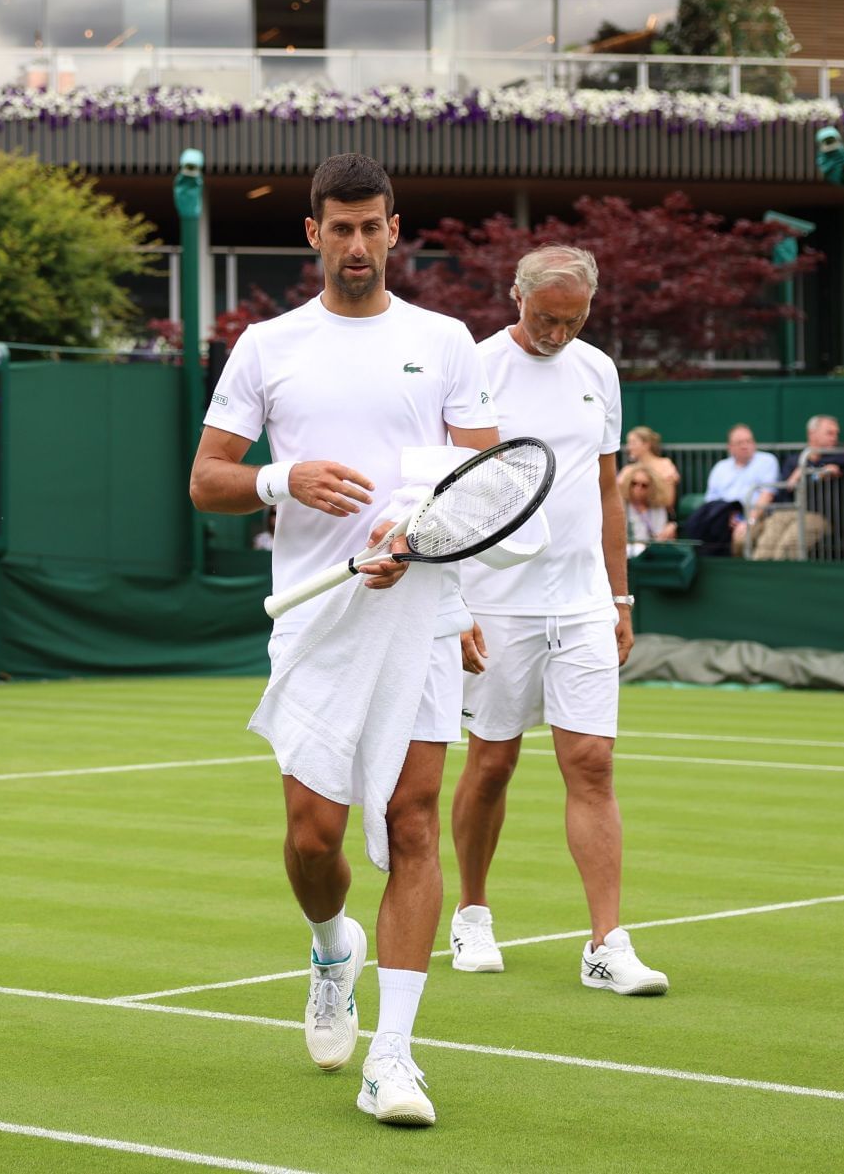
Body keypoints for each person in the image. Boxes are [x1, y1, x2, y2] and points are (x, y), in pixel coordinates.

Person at [190, 152, 497, 1128]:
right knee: (313, 839)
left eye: (373, 227)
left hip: (423, 610)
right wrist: (284, 480)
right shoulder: (267, 346)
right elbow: (206, 480)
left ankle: (394, 1058)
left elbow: (483, 484)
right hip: (317, 620)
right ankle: (331, 947)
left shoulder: (448, 341)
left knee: (413, 824)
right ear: (311, 235)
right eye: (340, 227)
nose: (357, 245)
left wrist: (428, 553)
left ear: (395, 232)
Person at [451, 244, 668, 998]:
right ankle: (472, 912)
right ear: (516, 296)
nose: (557, 332)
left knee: (593, 763)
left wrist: (621, 597)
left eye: (572, 320)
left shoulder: (598, 370)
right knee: (491, 763)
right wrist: (455, 605)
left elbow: (607, 489)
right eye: (546, 318)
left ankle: (606, 941)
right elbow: (451, 494)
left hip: (581, 602)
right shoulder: (473, 366)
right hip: (495, 599)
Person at [750, 415, 844, 560]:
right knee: (765, 548)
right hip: (787, 512)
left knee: (786, 549)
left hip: (818, 515)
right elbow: (786, 488)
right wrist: (801, 474)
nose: (835, 437)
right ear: (812, 434)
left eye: (836, 433)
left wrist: (812, 474)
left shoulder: (840, 457)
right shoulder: (794, 461)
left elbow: (842, 466)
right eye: (829, 433)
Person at [697, 424, 780, 554]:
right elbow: (711, 501)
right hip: (724, 518)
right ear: (730, 447)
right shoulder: (720, 467)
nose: (745, 446)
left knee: (740, 538)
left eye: (749, 441)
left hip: (757, 517)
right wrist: (726, 516)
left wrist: (749, 521)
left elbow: (767, 495)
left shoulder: (767, 461)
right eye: (740, 443)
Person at [619, 465, 677, 553]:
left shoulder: (658, 507)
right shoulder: (621, 505)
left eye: (644, 485)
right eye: (634, 483)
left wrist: (668, 531)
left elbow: (659, 537)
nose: (638, 488)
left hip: (650, 553)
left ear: (652, 488)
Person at [622, 426, 679, 510]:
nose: (629, 447)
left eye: (633, 443)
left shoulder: (665, 464)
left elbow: (669, 500)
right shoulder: (628, 469)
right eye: (628, 443)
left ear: (646, 444)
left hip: (659, 515)